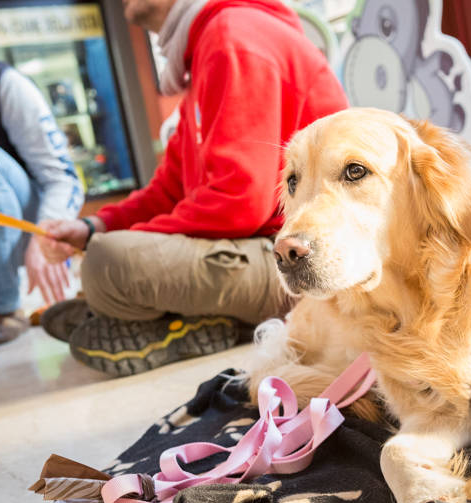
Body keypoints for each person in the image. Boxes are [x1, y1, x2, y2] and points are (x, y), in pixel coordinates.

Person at [39, 0, 348, 376]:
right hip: (268, 253)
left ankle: (214, 323)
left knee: (107, 263)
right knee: (106, 254)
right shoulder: (206, 50)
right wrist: (93, 228)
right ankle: (167, 317)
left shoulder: (232, 36)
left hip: (297, 264)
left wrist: (125, 243)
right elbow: (167, 190)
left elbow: (239, 202)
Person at [0, 0, 83, 349]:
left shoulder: (4, 84)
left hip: (20, 229)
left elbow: (63, 178)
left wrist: (44, 238)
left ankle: (4, 307)